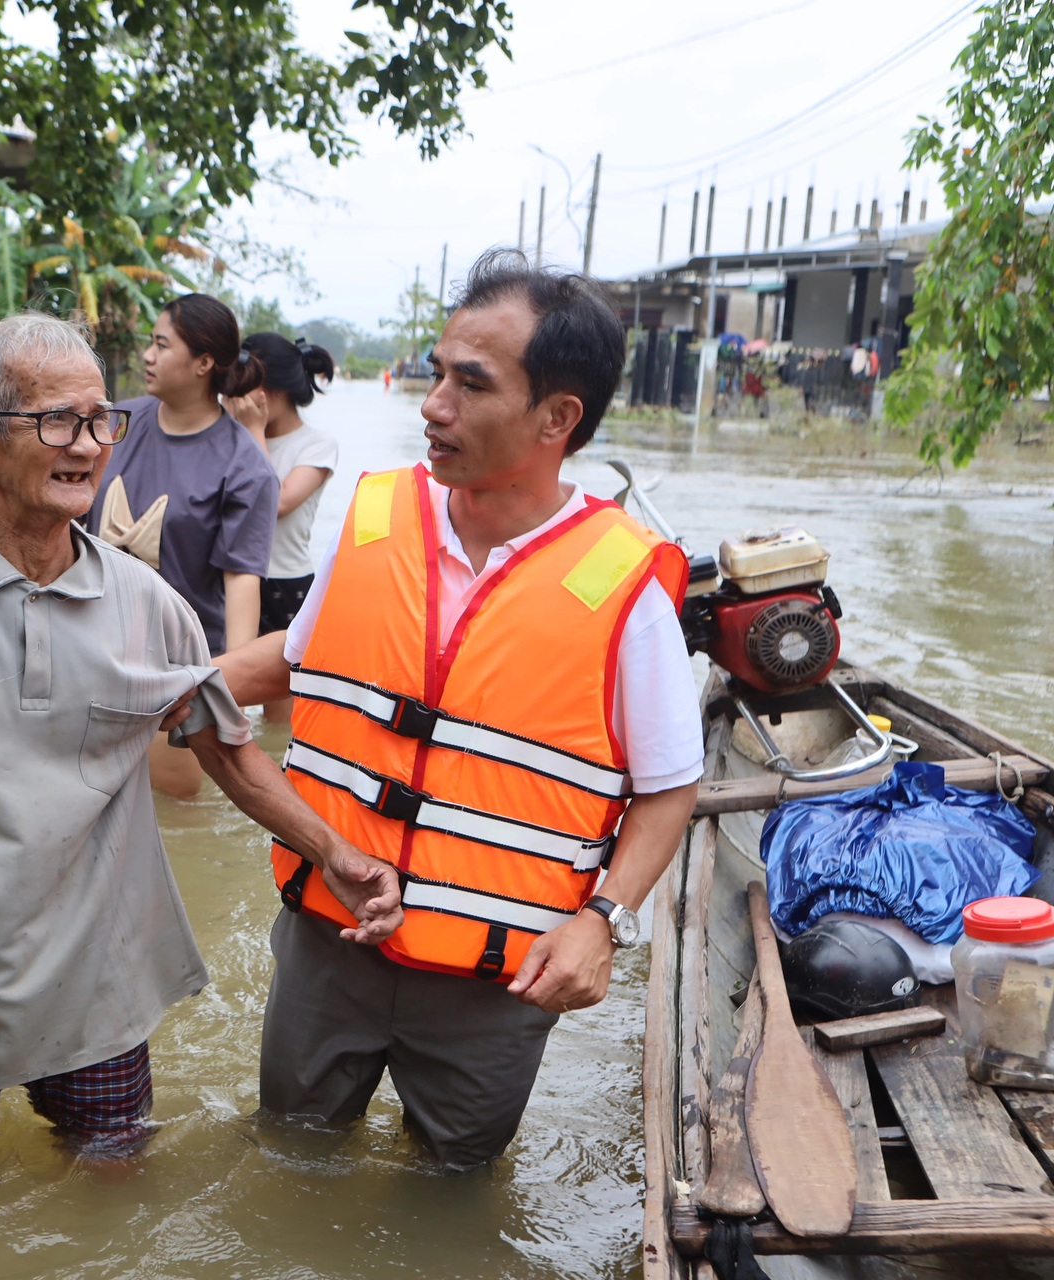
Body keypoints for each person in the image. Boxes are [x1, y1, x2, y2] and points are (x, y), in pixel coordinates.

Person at [0, 312, 401, 1181]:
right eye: (58, 421)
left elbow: (231, 756)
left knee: (113, 1197)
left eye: (100, 420)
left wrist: (336, 854)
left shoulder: (150, 605)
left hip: (100, 988)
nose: (89, 446)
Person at [214, 250, 703, 1170]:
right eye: (437, 374)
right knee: (289, 1159)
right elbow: (294, 659)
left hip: (496, 980)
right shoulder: (376, 519)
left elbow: (671, 786)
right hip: (331, 934)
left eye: (470, 385)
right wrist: (168, 682)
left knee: (453, 1186)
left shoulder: (624, 584)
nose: (433, 406)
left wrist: (602, 920)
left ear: (557, 418)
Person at [86, 293, 279, 797]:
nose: (147, 355)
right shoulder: (116, 424)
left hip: (176, 673)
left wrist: (228, 691)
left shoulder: (244, 466)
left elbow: (242, 583)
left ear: (203, 363)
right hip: (88, 647)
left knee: (174, 811)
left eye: (161, 344)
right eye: (150, 343)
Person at [225, 332, 338, 724]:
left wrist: (254, 431)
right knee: (224, 704)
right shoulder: (228, 434)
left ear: (272, 390)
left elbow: (277, 503)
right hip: (233, 580)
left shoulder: (317, 444)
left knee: (280, 722)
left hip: (285, 586)